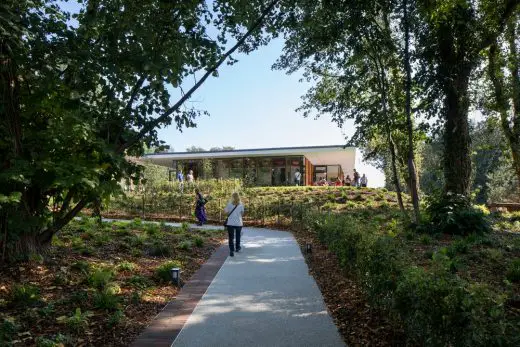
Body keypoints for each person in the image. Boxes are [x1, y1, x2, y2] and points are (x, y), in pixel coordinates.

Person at [224, 192, 245, 257]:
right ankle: (238, 247)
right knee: (238, 236)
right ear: (239, 197)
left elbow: (226, 212)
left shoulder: (229, 204)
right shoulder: (241, 205)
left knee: (231, 237)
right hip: (238, 223)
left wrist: (230, 214)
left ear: (232, 197)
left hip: (230, 223)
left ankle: (231, 250)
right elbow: (242, 214)